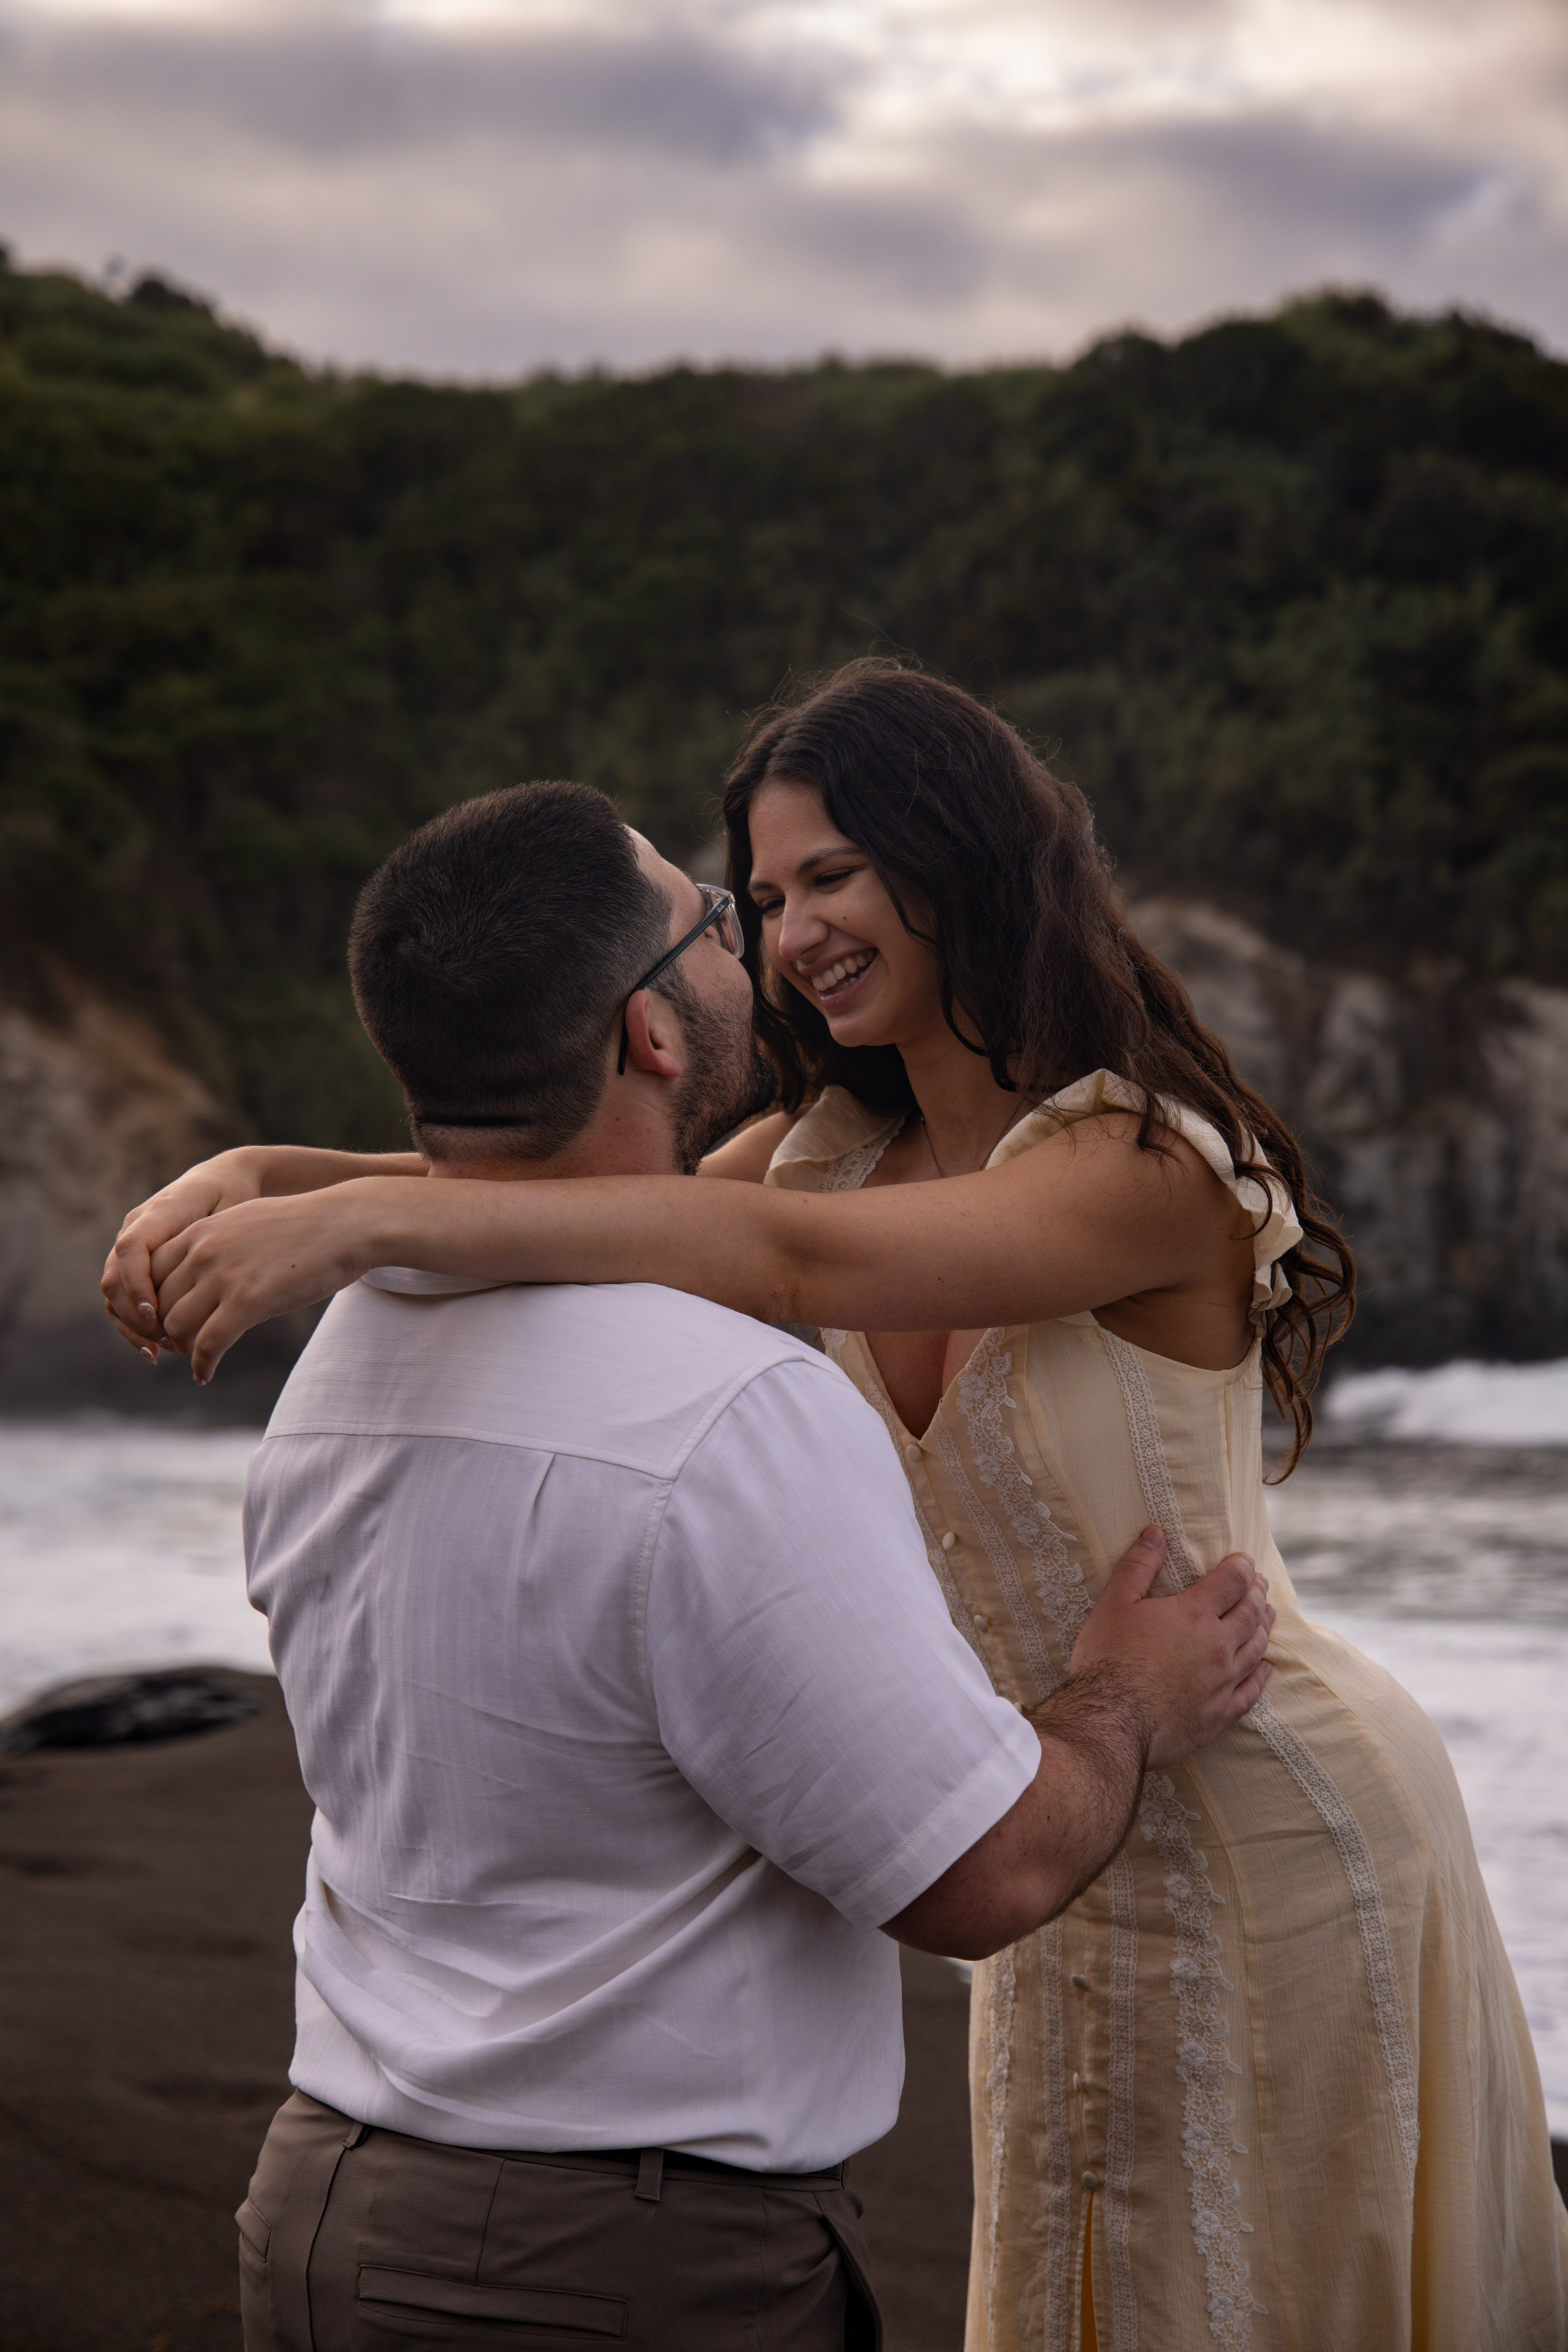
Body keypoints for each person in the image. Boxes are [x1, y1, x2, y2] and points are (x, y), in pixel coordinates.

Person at [106, 666, 1568, 2351]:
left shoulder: (1142, 1168)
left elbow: (781, 1270)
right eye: (770, 893)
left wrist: (357, 1235)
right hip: (1026, 1803)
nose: (796, 932)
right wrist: (245, 1182)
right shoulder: (832, 1156)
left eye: (837, 877)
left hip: (1261, 1797)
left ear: (957, 868)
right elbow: (553, 1183)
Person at [223, 777, 1275, 2352]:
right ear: (650, 1038)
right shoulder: (723, 1411)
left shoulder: (345, 1358)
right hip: (613, 2270)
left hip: (318, 2211)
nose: (768, 951)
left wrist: (254, 1179)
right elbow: (978, 1873)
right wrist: (1118, 1700)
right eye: (722, 917)